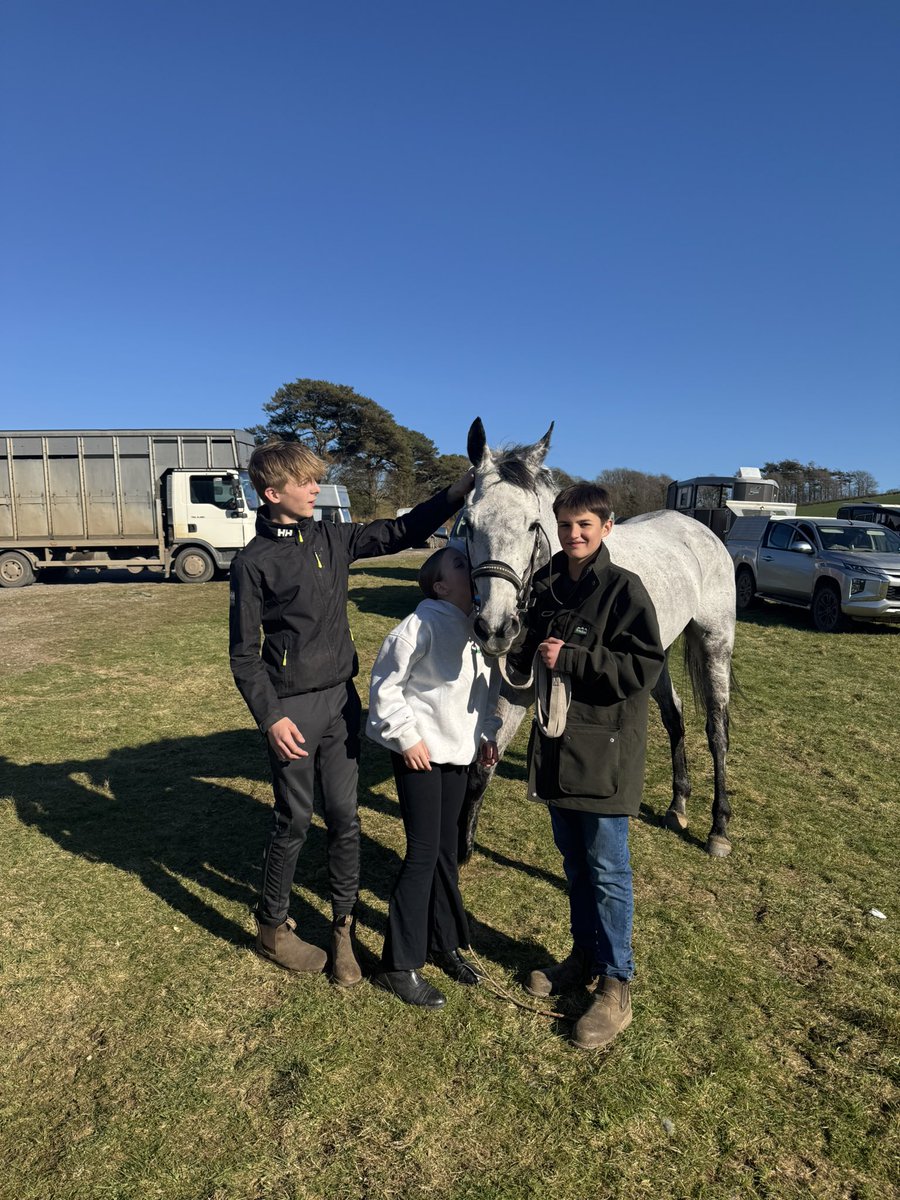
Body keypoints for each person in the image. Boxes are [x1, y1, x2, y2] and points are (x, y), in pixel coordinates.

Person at [229, 440, 474, 986]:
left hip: (342, 703)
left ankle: (342, 931)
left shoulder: (332, 538)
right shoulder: (252, 563)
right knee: (293, 820)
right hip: (291, 709)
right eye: (307, 482)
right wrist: (270, 716)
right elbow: (244, 656)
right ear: (274, 494)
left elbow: (401, 531)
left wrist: (454, 494)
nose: (317, 488)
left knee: (345, 819)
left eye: (318, 480)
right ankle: (273, 926)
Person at [508, 482, 665, 1050]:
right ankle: (581, 957)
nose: (574, 535)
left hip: (604, 751)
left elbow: (644, 666)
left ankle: (616, 984)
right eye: (566, 525)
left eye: (585, 526)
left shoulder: (624, 590)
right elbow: (527, 647)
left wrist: (573, 657)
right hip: (556, 748)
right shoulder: (546, 585)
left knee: (607, 870)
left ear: (606, 527)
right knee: (575, 864)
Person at [367, 545, 501, 1008]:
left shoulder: (475, 631)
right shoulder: (416, 626)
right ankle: (397, 964)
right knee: (423, 855)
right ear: (441, 585)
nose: (472, 567)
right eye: (460, 564)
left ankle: (445, 942)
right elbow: (385, 687)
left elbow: (485, 691)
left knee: (447, 853)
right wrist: (407, 739)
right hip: (420, 758)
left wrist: (486, 732)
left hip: (459, 757)